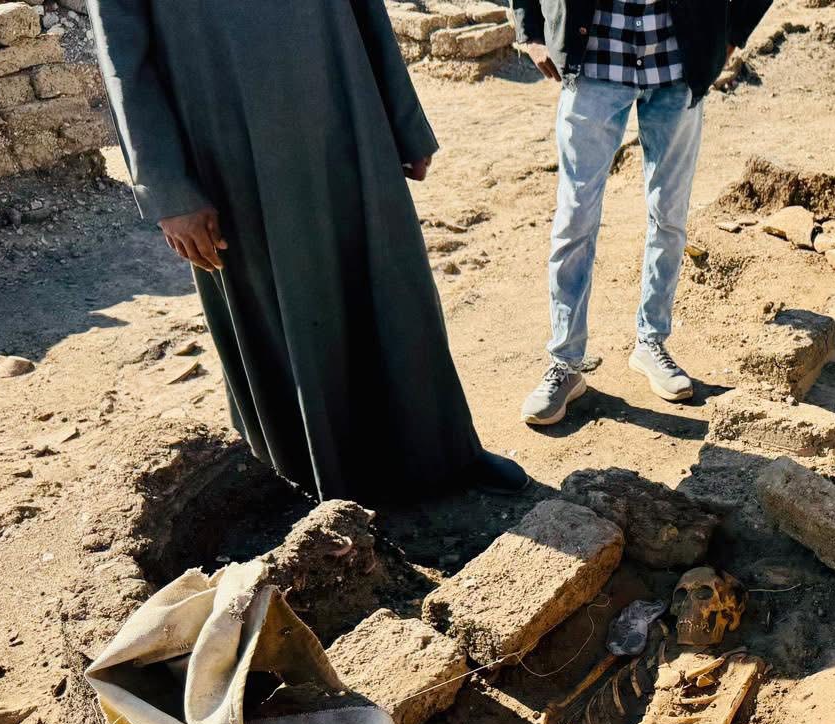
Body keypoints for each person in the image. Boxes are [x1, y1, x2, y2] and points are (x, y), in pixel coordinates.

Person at [88, 0, 529, 502]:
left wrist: (403, 120)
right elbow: (124, 62)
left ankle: (445, 455)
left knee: (395, 290)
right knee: (285, 313)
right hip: (231, 146)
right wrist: (170, 194)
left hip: (347, 114)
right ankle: (323, 493)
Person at [513, 0, 773, 426]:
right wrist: (530, 30)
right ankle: (565, 362)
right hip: (594, 58)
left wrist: (731, 34)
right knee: (575, 218)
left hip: (677, 62)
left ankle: (652, 343)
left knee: (668, 215)